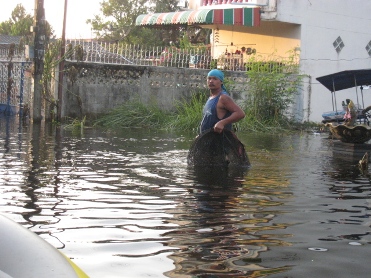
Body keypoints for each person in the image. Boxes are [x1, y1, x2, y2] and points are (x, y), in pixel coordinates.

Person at [200, 69, 245, 134]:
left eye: (215, 79)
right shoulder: (211, 97)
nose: (211, 81)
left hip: (221, 140)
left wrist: (222, 123)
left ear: (221, 82)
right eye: (209, 78)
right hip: (207, 140)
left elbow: (240, 114)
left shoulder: (223, 98)